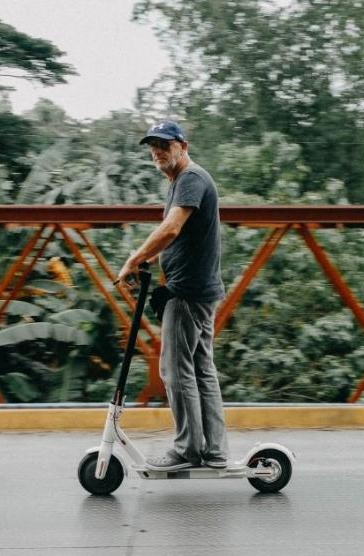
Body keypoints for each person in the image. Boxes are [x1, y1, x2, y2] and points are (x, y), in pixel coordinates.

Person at [116, 120, 229, 471]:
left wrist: (133, 260)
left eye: (164, 144)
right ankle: (214, 451)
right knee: (200, 368)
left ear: (183, 145)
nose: (157, 151)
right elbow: (177, 235)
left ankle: (187, 450)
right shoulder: (183, 181)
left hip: (188, 292)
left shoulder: (191, 178)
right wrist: (147, 261)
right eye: (152, 145)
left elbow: (171, 227)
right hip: (201, 289)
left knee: (174, 371)